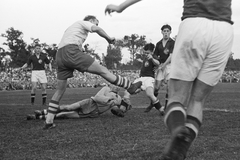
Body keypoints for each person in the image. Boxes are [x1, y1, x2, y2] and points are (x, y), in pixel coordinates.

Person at [105, 0, 234, 159]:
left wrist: (121, 7)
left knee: (176, 97)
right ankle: (183, 145)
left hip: (195, 22)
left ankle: (178, 130)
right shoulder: (159, 44)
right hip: (225, 30)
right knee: (198, 100)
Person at [44, 15, 142, 129]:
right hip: (70, 51)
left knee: (60, 90)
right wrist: (108, 39)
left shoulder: (72, 29)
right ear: (91, 20)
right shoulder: (82, 23)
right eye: (96, 22)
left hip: (60, 55)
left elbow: (75, 45)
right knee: (103, 70)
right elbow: (97, 30)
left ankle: (49, 121)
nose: (97, 24)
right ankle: (130, 86)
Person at [27, 85, 132, 120]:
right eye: (115, 84)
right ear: (111, 84)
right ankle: (43, 112)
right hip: (90, 102)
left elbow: (123, 107)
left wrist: (126, 106)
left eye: (118, 85)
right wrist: (109, 100)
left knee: (64, 115)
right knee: (68, 107)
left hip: (94, 112)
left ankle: (37, 117)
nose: (117, 86)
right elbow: (97, 97)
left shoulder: (118, 98)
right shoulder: (106, 88)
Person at [144, 24, 175, 113]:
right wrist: (156, 66)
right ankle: (152, 104)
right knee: (156, 88)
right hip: (160, 66)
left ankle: (166, 107)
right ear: (161, 32)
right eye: (164, 31)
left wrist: (163, 65)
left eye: (167, 31)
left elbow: (171, 56)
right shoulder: (158, 44)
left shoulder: (172, 42)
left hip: (169, 66)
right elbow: (155, 56)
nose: (166, 33)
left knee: (169, 88)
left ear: (170, 32)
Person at [130, 43, 164, 114]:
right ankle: (123, 108)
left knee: (150, 94)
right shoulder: (145, 57)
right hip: (141, 78)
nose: (145, 54)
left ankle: (161, 109)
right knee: (130, 90)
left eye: (147, 52)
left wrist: (152, 59)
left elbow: (158, 63)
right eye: (145, 52)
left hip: (149, 78)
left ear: (152, 52)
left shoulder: (153, 56)